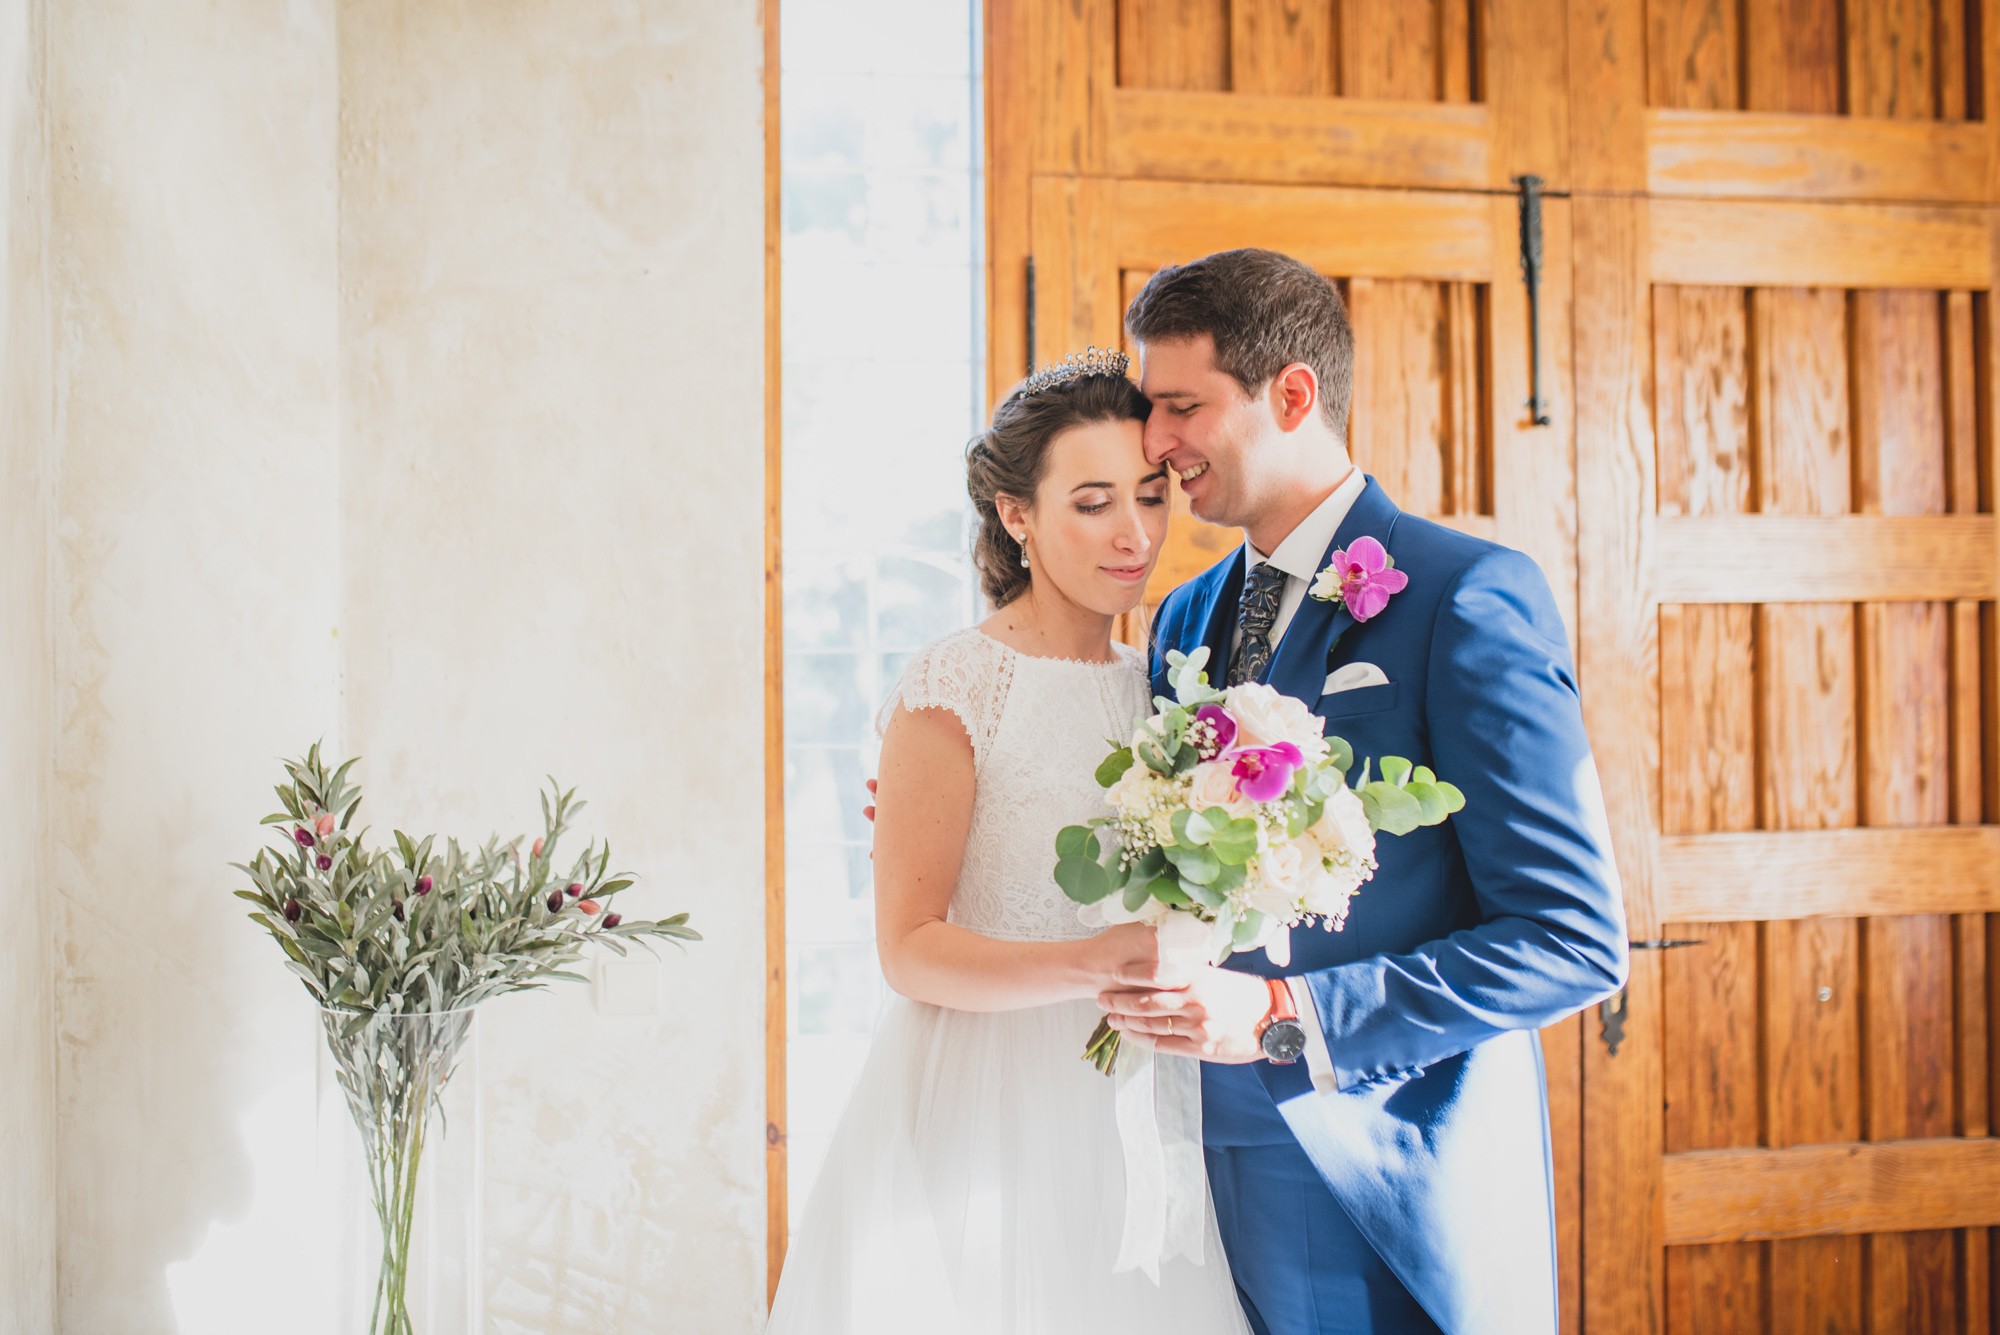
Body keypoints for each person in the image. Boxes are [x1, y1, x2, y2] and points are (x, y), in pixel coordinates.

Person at [1094, 249, 1629, 1334]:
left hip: (1387, 1171)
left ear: (1290, 394)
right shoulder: (1184, 617)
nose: (1155, 443)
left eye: (1180, 406)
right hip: (1195, 1171)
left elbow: (1570, 937)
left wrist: (1289, 1017)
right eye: (1150, 410)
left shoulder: (1463, 597)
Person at [765, 353, 1254, 1334]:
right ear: (1015, 515)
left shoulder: (1167, 688)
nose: (1132, 534)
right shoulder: (957, 682)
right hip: (986, 1101)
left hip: (1148, 1093)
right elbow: (908, 951)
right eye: (1091, 502)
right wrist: (1090, 965)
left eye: (1149, 497)